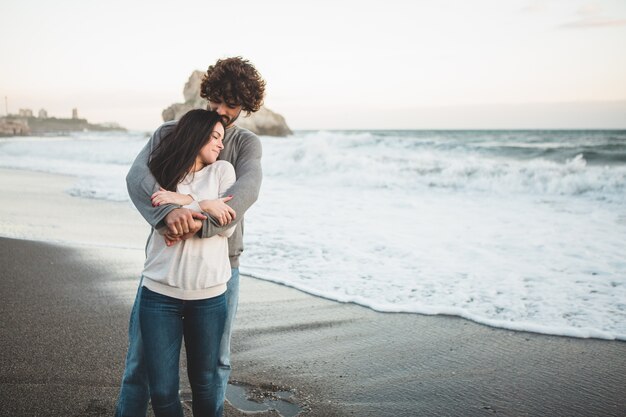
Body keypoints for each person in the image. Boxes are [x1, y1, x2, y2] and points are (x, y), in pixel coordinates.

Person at [116, 57, 265, 417]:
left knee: (216, 364)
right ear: (207, 94)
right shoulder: (172, 131)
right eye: (217, 101)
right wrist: (168, 214)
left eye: (232, 105)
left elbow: (244, 194)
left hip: (222, 269)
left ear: (245, 107)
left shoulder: (244, 146)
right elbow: (138, 178)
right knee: (139, 361)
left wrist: (195, 222)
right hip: (164, 268)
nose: (223, 111)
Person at [137, 108, 234, 416]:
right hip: (159, 293)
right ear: (196, 135)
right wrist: (203, 205)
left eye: (223, 138)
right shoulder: (162, 172)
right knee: (163, 390)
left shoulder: (223, 172)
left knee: (205, 384)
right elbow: (155, 207)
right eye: (215, 137)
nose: (220, 144)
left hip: (209, 296)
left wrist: (184, 202)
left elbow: (227, 224)